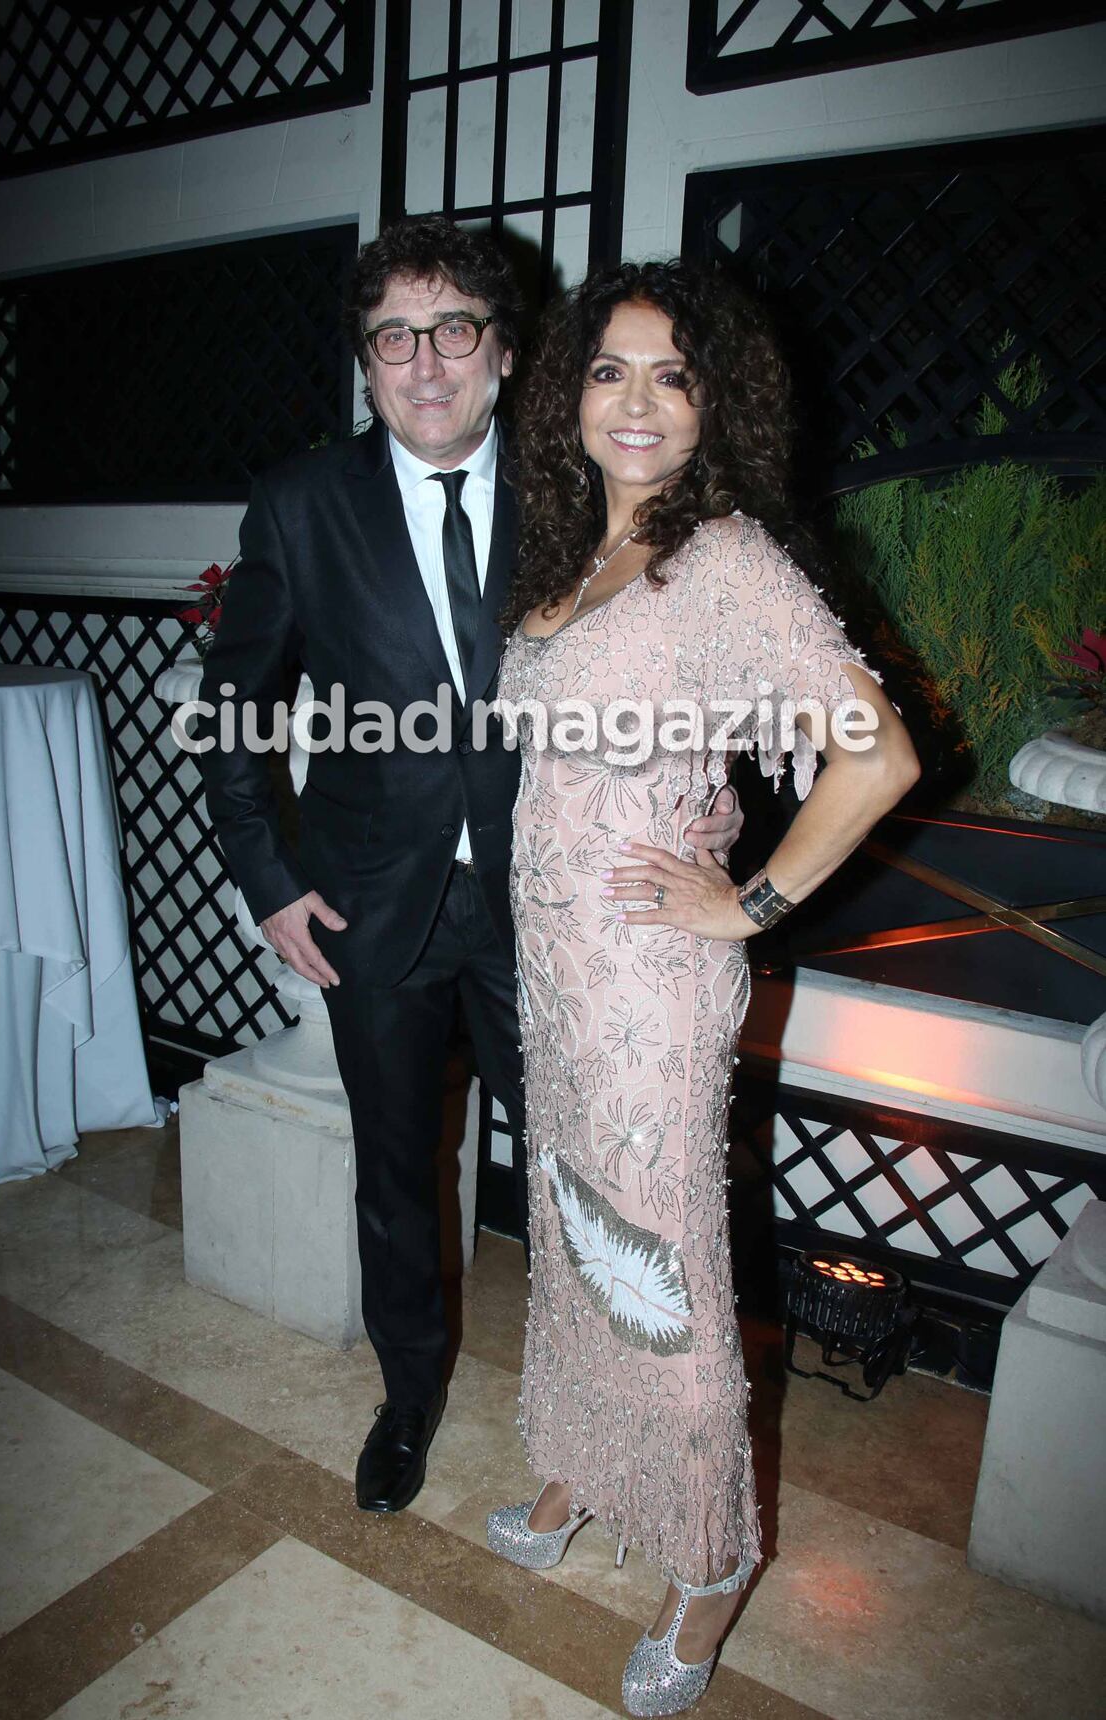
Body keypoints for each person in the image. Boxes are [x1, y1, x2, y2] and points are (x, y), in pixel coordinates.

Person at [198, 219, 742, 1521]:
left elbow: (684, 661)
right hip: (365, 903)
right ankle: (410, 1396)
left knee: (579, 1169)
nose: (425, 362)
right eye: (395, 336)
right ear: (367, 363)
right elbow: (231, 710)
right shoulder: (299, 503)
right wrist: (267, 878)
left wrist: (709, 799)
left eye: (453, 330)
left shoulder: (582, 487)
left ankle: (607, 1411)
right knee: (394, 1171)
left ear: (502, 353)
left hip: (547, 903)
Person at [486, 259, 920, 1717]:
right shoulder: (572, 553)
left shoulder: (724, 561)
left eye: (673, 374)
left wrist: (747, 904)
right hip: (556, 981)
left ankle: (712, 1555)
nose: (639, 400)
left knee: (662, 1264)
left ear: (713, 402)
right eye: (611, 369)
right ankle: (584, 1468)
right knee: (568, 1225)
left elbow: (879, 756)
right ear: (569, 395)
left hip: (653, 989)